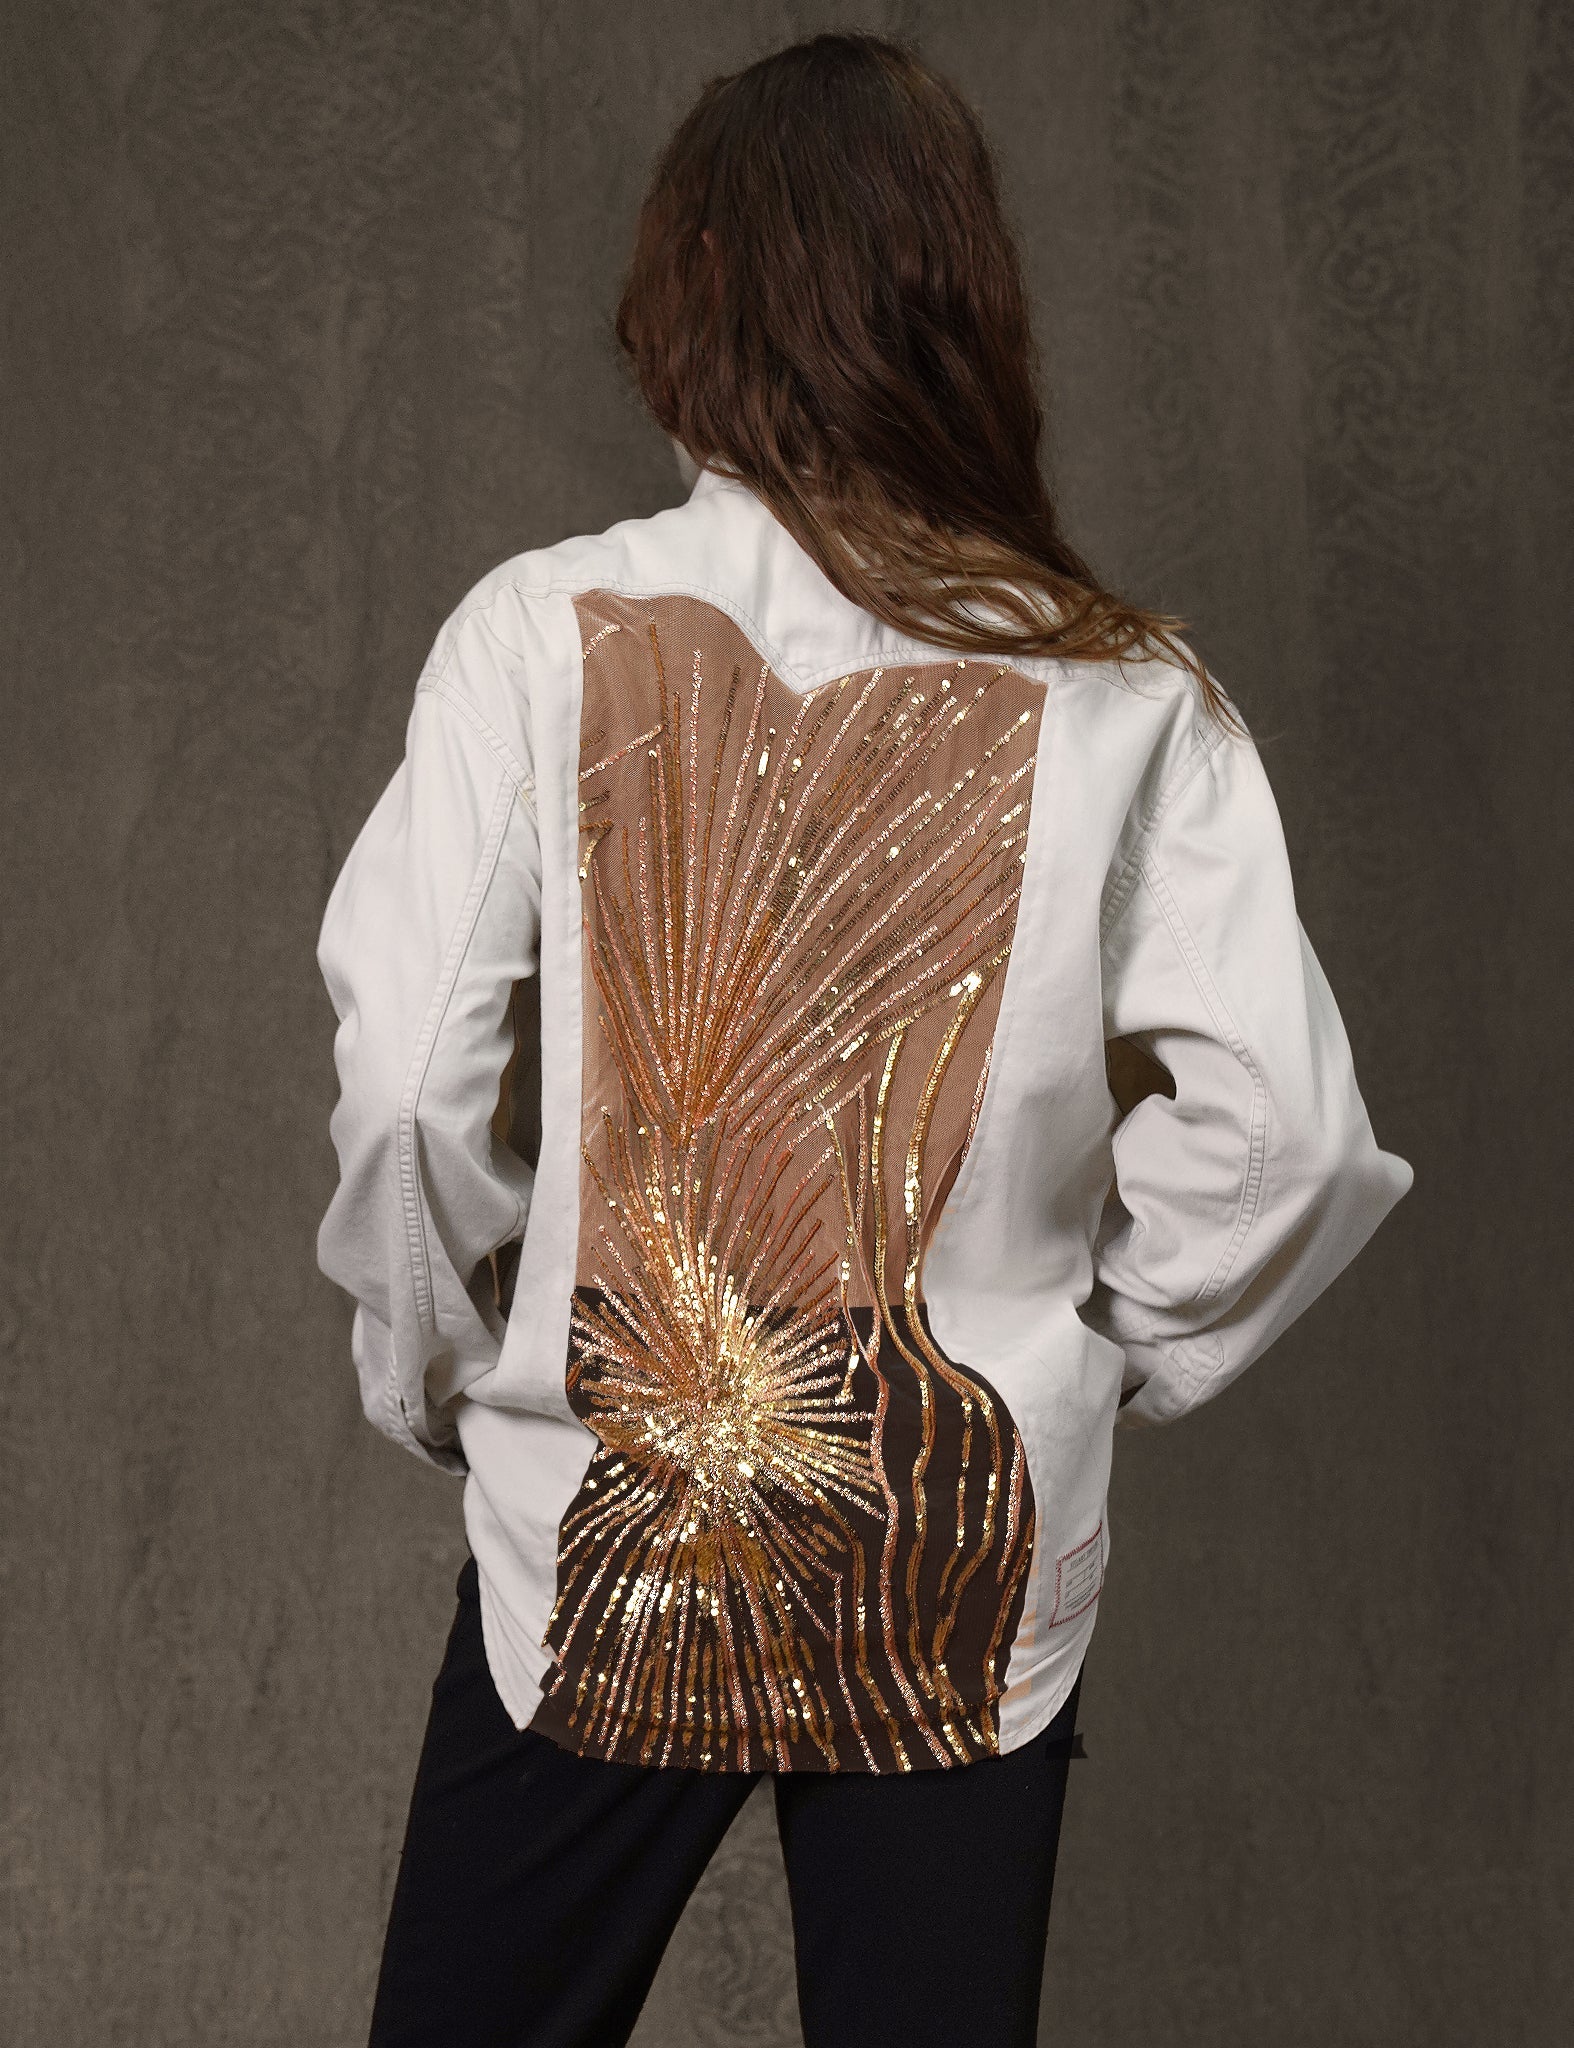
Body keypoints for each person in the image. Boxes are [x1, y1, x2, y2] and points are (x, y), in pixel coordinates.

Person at [315, 32, 1413, 2048]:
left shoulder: (534, 633)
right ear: (961, 298)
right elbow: (1286, 1136)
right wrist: (1093, 1356)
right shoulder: (1121, 687)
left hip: (606, 1512)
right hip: (955, 1538)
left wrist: (439, 1363)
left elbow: (405, 1094)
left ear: (688, 285)